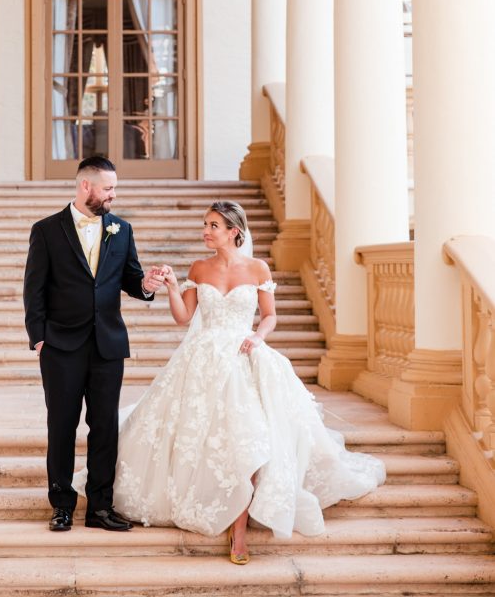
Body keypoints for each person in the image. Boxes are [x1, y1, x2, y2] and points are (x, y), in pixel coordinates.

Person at [107, 200, 386, 563]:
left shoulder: (257, 268)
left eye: (213, 226)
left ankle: (238, 532)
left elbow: (269, 316)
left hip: (244, 356)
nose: (205, 231)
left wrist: (257, 337)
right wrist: (173, 286)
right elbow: (184, 317)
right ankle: (221, 508)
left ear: (233, 231)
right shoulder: (199, 267)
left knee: (249, 439)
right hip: (203, 362)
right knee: (209, 437)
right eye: (205, 224)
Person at [23, 155, 166, 534]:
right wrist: (39, 337)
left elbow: (132, 279)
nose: (113, 195)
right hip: (60, 346)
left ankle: (100, 507)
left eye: (114, 188)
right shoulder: (47, 230)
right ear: (86, 186)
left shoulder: (122, 229)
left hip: (108, 345)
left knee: (104, 427)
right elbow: (34, 289)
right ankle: (62, 505)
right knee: (61, 426)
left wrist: (147, 285)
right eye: (108, 188)